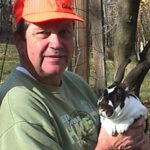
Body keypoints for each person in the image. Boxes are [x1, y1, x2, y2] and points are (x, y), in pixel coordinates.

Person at [0, 0, 149, 149]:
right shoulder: (20, 108)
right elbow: (112, 142)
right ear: (20, 42)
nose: (56, 43)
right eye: (43, 33)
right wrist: (107, 146)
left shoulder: (75, 83)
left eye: (64, 32)